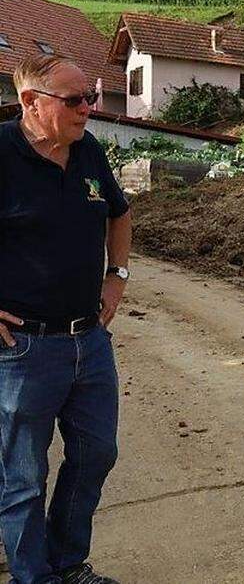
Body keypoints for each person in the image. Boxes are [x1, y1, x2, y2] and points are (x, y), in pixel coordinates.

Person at [0, 55, 131, 584]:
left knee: (96, 453)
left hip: (89, 341)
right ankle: (34, 577)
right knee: (23, 476)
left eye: (91, 98)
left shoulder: (87, 151)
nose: (89, 110)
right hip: (21, 350)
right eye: (75, 100)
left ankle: (68, 562)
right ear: (32, 103)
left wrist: (116, 276)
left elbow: (119, 213)